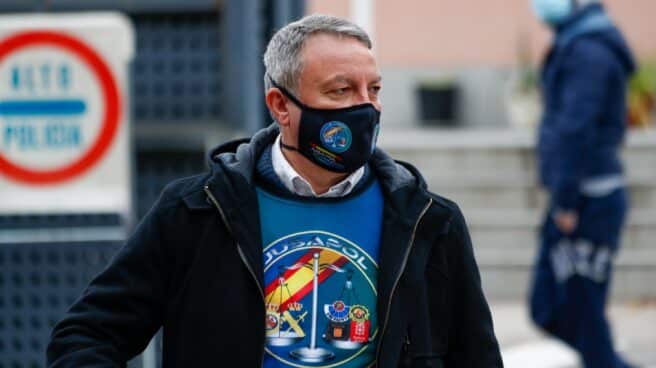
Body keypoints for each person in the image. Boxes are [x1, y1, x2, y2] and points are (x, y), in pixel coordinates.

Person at [47, 14, 502, 367]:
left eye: (374, 88)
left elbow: (477, 357)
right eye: (341, 90)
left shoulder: (429, 222)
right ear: (281, 106)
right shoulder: (196, 212)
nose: (365, 107)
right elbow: (86, 336)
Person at [529, 1, 636, 367]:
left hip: (588, 199)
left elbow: (576, 130)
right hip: (579, 195)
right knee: (556, 309)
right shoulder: (576, 42)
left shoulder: (588, 51)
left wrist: (566, 201)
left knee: (576, 313)